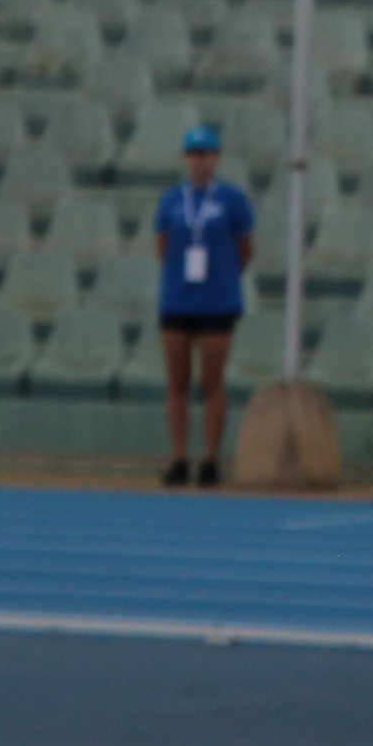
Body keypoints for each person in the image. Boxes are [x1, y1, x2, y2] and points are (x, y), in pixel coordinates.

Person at [154, 122, 255, 488]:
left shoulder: (232, 200)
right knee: (177, 381)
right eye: (194, 154)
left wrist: (223, 277)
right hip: (178, 298)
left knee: (212, 381)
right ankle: (179, 457)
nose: (199, 161)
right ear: (186, 158)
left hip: (217, 300)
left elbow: (244, 249)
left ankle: (210, 458)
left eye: (206, 154)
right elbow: (163, 248)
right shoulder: (171, 200)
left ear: (216, 158)